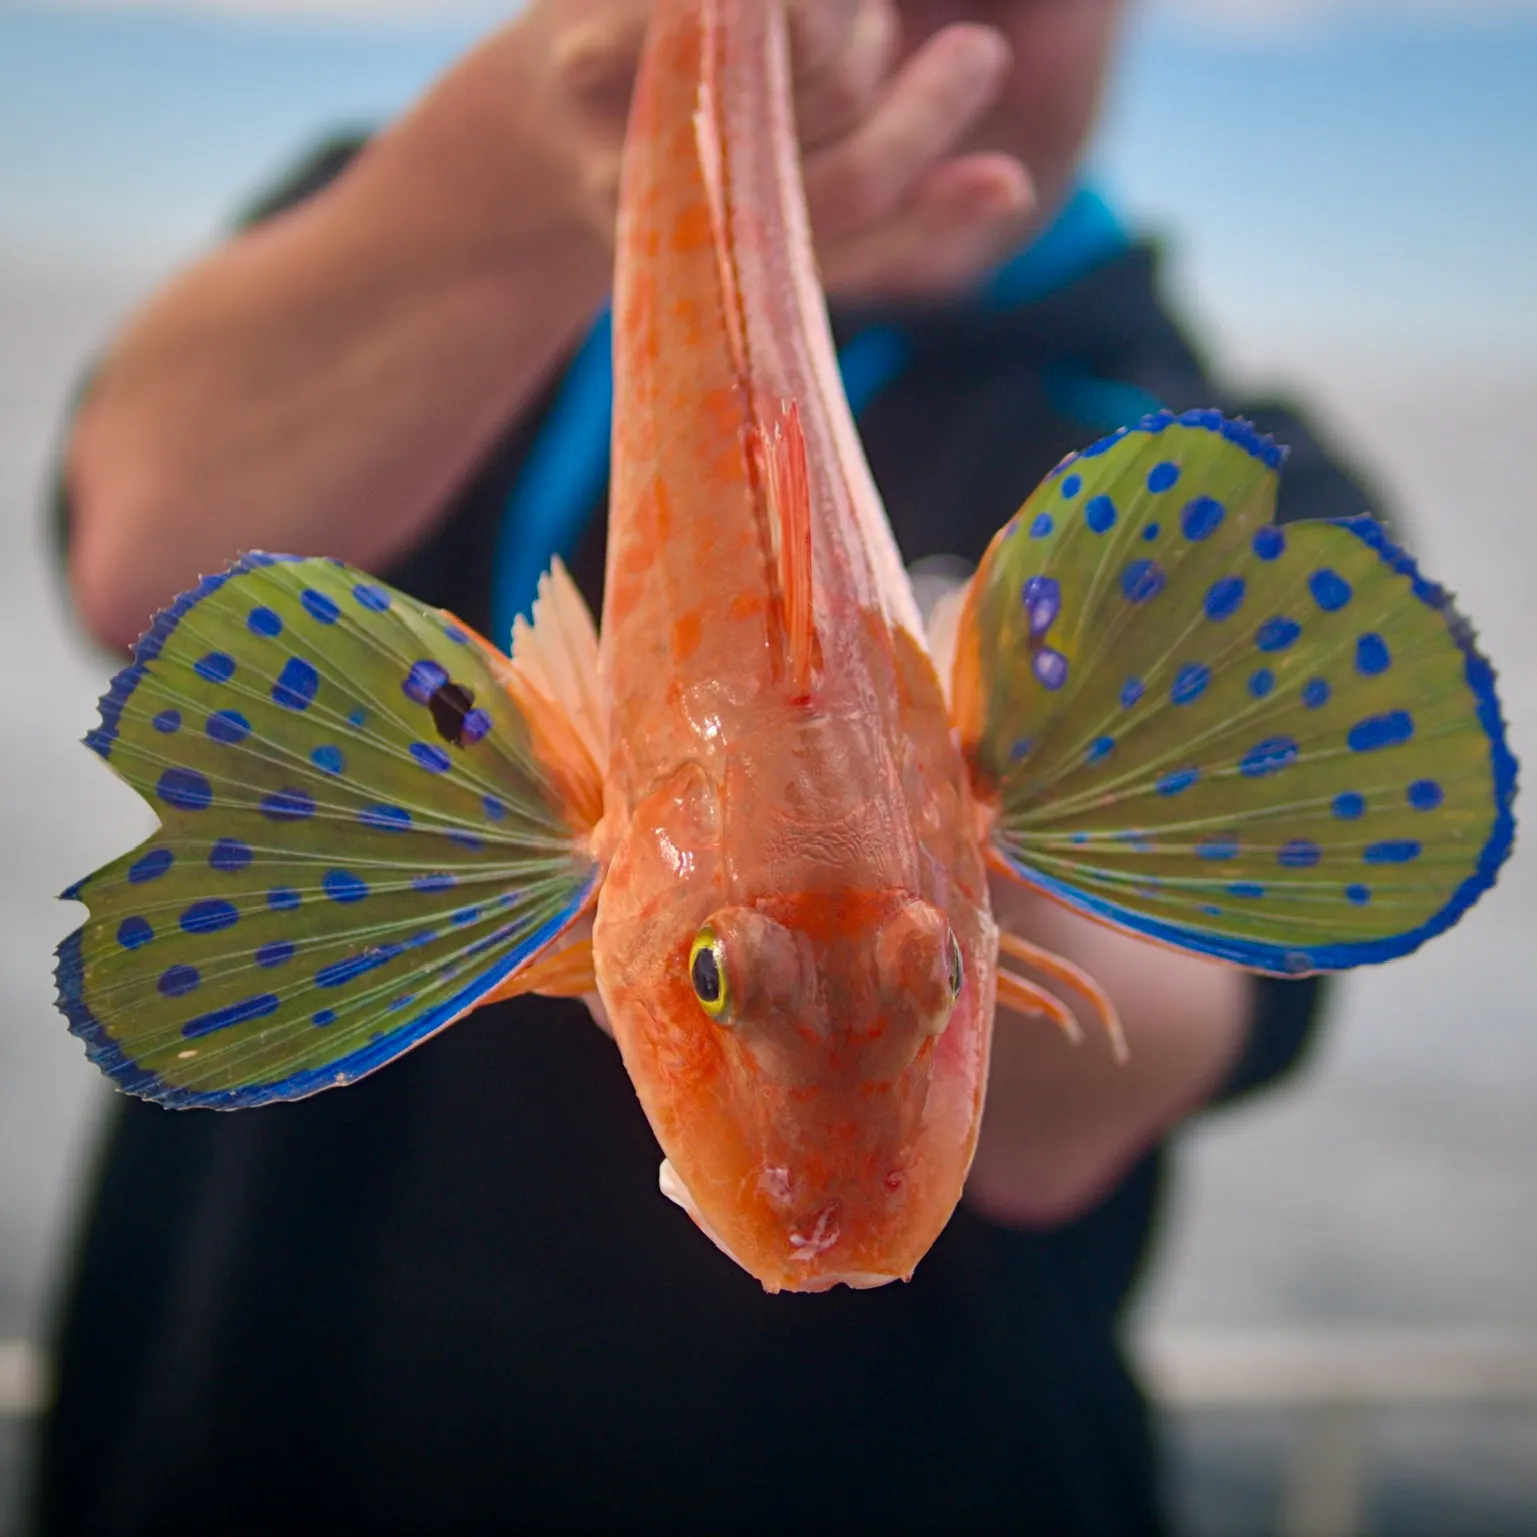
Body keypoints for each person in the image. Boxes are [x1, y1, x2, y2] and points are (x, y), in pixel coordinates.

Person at [35, 2, 1375, 1532]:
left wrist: (922, 842)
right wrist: (547, 159)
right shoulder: (446, 202)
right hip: (249, 1460)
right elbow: (137, 553)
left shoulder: (1213, 469)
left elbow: (1131, 1068)